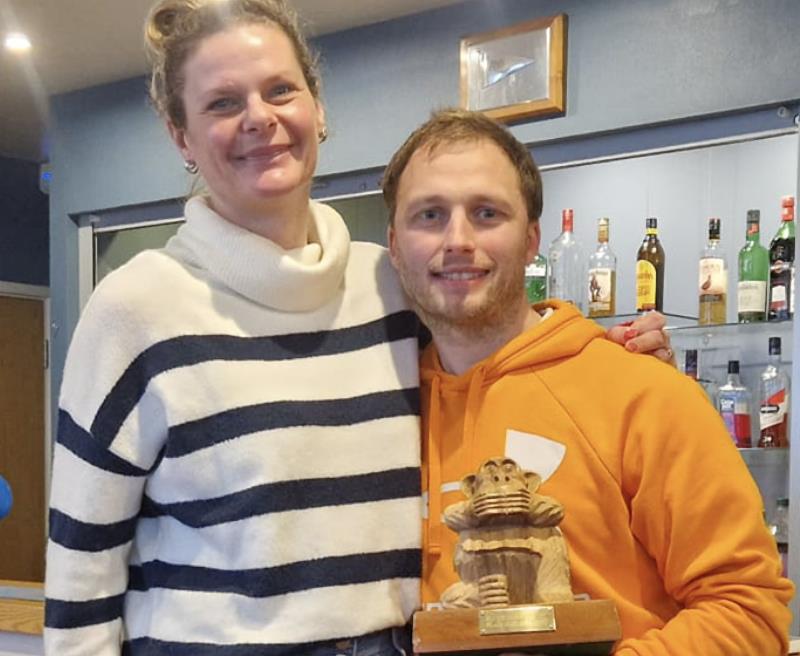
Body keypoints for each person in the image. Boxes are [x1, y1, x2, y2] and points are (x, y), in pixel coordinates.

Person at [43, 2, 673, 654]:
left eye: (280, 89)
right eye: (222, 103)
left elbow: (500, 351)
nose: (259, 117)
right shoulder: (135, 309)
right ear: (182, 137)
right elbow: (81, 571)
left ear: (316, 107)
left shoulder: (389, 290)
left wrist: (616, 359)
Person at [382, 109, 795, 655]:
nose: (457, 239)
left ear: (531, 240)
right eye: (429, 215)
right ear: (393, 244)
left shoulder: (646, 396)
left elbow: (748, 608)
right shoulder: (381, 408)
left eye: (486, 213)